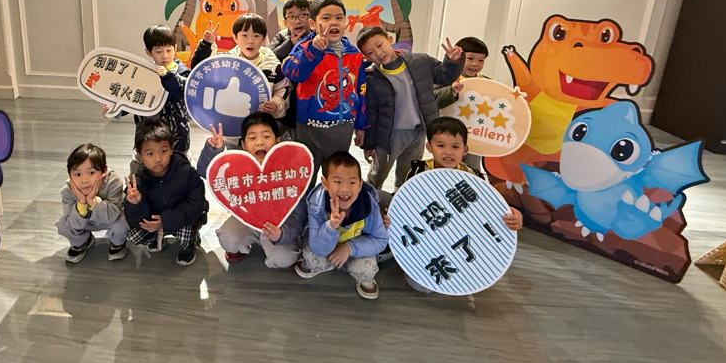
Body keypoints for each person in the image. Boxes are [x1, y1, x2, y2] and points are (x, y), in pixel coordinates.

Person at [357, 26, 464, 190]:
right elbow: (371, 112)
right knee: (378, 173)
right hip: (388, 135)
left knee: (408, 173)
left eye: (379, 45)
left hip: (418, 131)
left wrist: (453, 61)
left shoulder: (421, 61)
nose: (378, 53)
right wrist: (369, 144)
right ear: (365, 57)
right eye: (370, 52)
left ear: (390, 39)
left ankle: (401, 200)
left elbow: (444, 77)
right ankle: (369, 199)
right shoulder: (371, 78)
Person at [197, 112, 307, 268]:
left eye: (266, 136)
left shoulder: (289, 169)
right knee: (228, 238)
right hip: (247, 220)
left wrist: (282, 234)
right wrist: (213, 150)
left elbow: (299, 214)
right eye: (252, 138)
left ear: (277, 141)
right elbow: (205, 172)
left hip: (280, 225)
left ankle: (281, 249)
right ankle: (239, 247)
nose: (259, 142)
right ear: (243, 145)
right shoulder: (238, 166)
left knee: (284, 258)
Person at [281, 0, 367, 180]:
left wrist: (361, 125)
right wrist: (313, 51)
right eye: (326, 18)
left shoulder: (355, 55)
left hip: (342, 128)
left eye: (339, 17)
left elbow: (361, 91)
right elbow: (291, 72)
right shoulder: (305, 47)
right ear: (313, 24)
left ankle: (330, 201)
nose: (333, 22)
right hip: (309, 127)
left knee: (336, 177)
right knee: (306, 177)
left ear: (345, 22)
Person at [295, 151, 388, 299]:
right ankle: (328, 264)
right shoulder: (317, 205)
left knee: (367, 270)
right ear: (325, 183)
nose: (345, 189)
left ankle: (361, 277)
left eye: (352, 182)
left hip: (355, 251)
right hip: (327, 248)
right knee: (312, 258)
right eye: (337, 182)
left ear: (360, 185)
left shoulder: (369, 206)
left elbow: (381, 240)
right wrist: (330, 227)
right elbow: (317, 247)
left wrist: (349, 248)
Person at [405, 117, 523, 232]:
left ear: (465, 150)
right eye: (440, 145)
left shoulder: (473, 176)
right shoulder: (419, 171)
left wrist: (512, 214)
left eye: (455, 147)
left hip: (460, 231)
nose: (448, 152)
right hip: (427, 230)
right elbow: (404, 202)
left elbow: (488, 205)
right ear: (429, 147)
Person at [124, 119, 208, 266]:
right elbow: (133, 220)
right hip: (157, 220)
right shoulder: (138, 181)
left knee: (188, 230)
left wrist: (165, 221)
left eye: (163, 151)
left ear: (171, 148)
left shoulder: (186, 172)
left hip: (182, 218)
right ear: (140, 155)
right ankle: (157, 238)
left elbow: (196, 204)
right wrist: (136, 204)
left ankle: (189, 246)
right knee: (134, 236)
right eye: (150, 153)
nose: (158, 159)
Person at [189, 12, 288, 130]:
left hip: (260, 126)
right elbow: (199, 68)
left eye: (256, 36)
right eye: (244, 35)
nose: (250, 41)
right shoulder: (226, 62)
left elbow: (282, 90)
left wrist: (276, 105)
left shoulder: (273, 66)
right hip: (228, 126)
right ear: (235, 37)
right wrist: (206, 44)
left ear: (264, 38)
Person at [116, 25, 191, 156]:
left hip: (177, 138)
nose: (165, 56)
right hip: (148, 137)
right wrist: (115, 109)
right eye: (159, 52)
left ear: (175, 48)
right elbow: (133, 98)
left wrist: (167, 76)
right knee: (142, 164)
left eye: (169, 50)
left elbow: (185, 90)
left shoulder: (181, 71)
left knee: (180, 165)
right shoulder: (142, 73)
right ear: (148, 52)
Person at [55, 143, 128, 263]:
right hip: (85, 222)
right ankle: (83, 241)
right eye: (78, 174)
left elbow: (113, 214)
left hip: (110, 219)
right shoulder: (67, 190)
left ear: (104, 171)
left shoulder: (113, 183)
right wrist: (81, 203)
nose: (84, 180)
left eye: (91, 173)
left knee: (123, 223)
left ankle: (117, 242)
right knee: (63, 225)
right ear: (70, 175)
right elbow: (72, 221)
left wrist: (93, 201)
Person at [271, 0, 312, 140]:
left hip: (309, 102)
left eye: (303, 15)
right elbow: (270, 58)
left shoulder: (317, 39)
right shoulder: (282, 37)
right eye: (292, 17)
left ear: (312, 18)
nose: (298, 20)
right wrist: (290, 44)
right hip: (287, 101)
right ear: (285, 22)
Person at [435, 36, 489, 109]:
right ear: (458, 57)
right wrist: (451, 90)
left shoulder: (487, 82)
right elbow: (432, 100)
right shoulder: (445, 78)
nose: (475, 64)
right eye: (470, 58)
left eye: (481, 60)